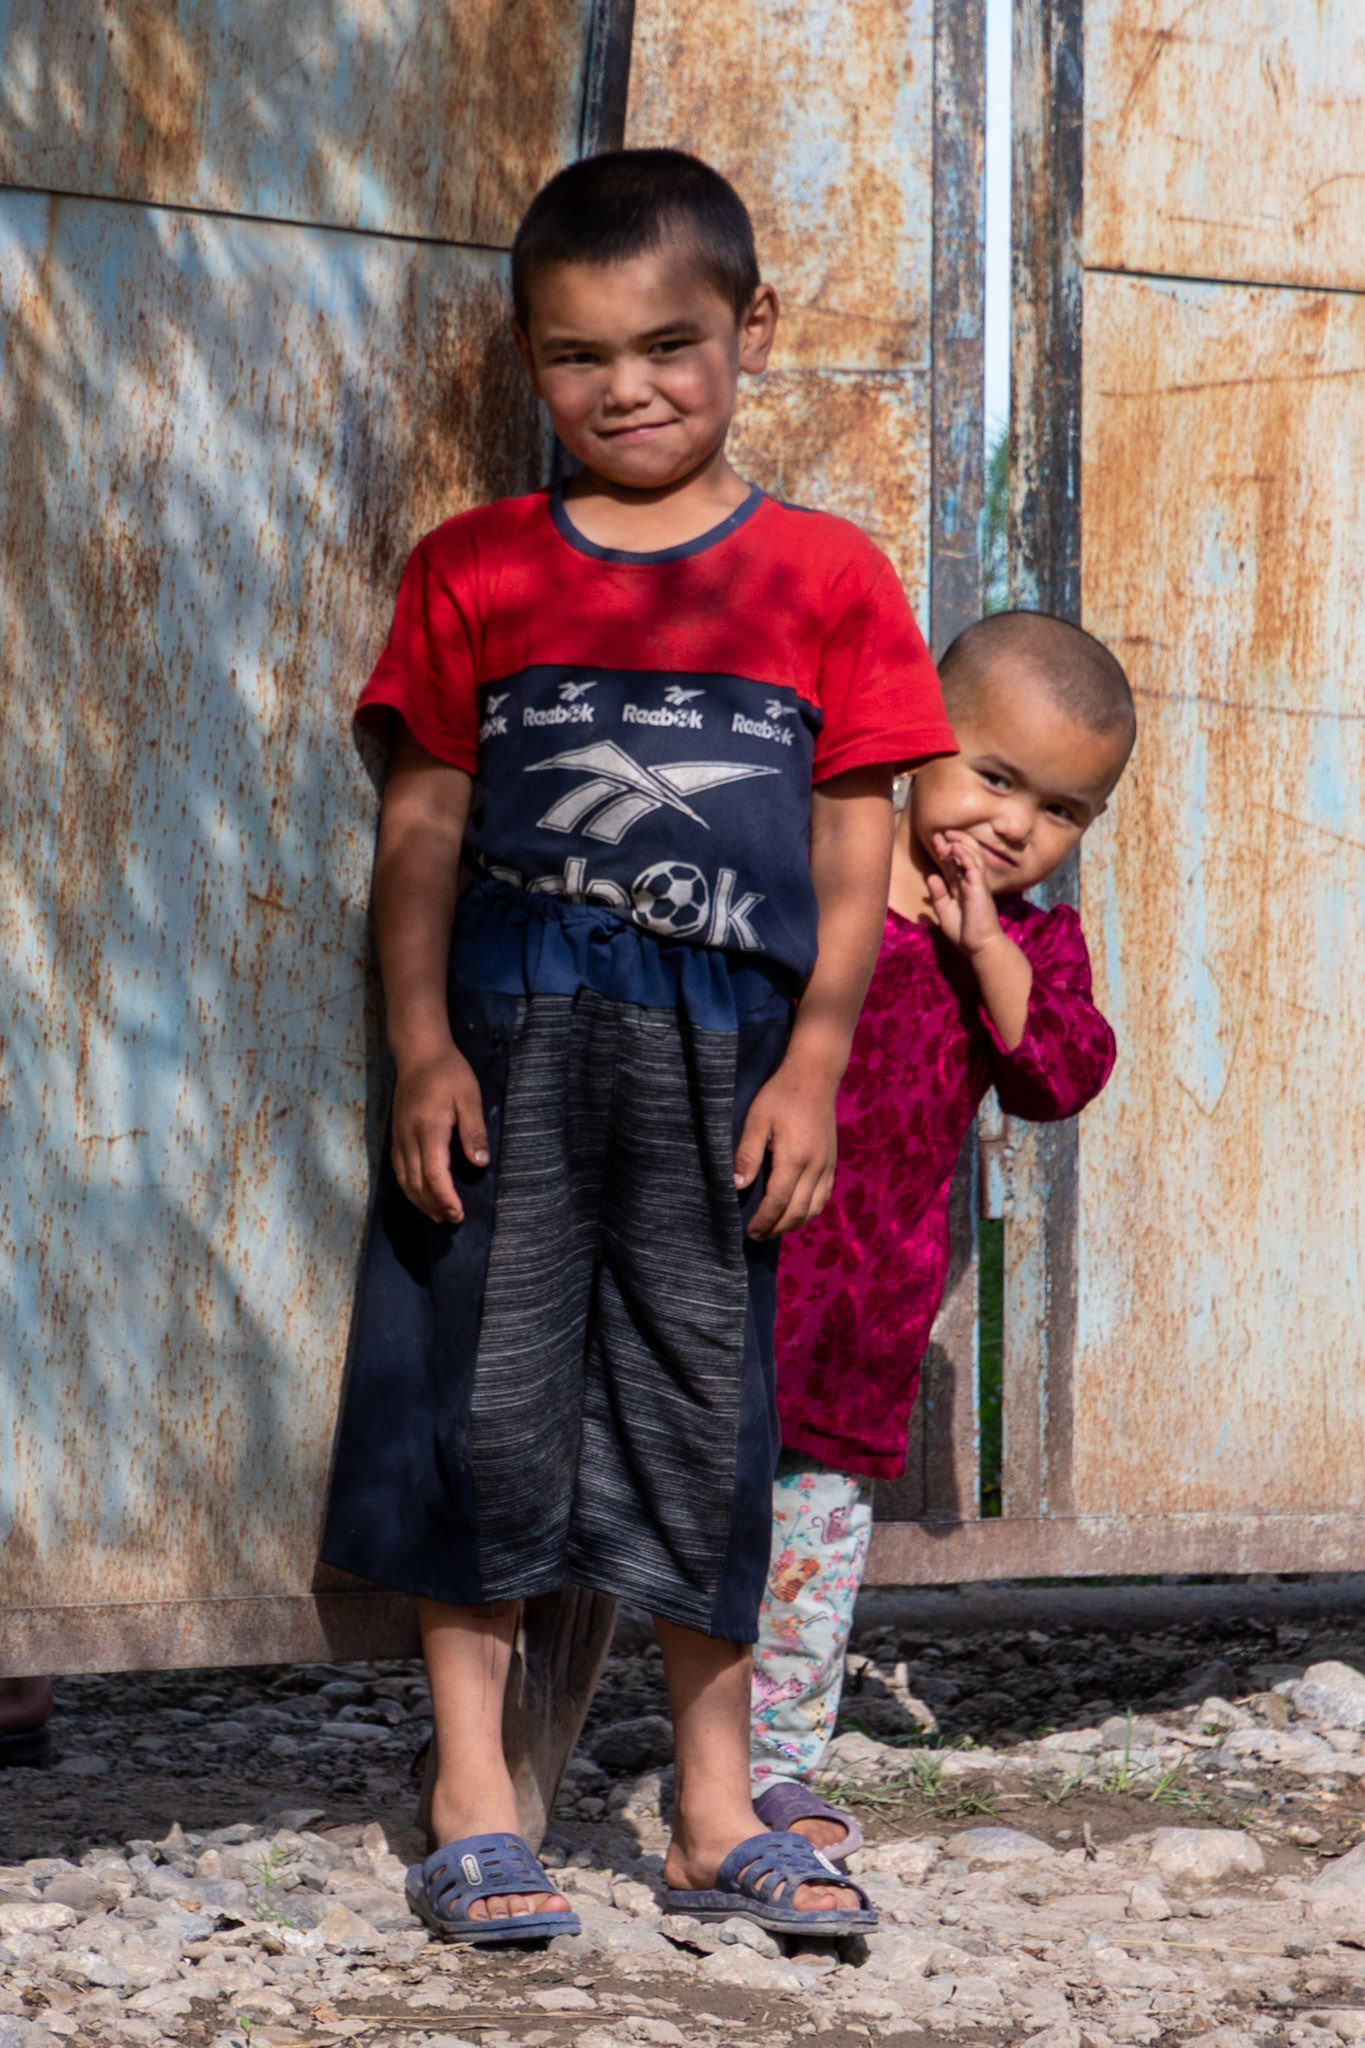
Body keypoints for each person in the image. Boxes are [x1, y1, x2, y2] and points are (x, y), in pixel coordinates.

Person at [320, 147, 956, 1942]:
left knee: (707, 1403)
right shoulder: (477, 569)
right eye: (579, 356)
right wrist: (425, 1043)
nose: (629, 389)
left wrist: (818, 1054)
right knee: (486, 1405)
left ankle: (709, 1801)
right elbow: (424, 825)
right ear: (533, 362)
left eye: (670, 345)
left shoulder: (828, 575)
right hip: (516, 1040)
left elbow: (854, 840)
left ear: (752, 329)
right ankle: (471, 1793)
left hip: (723, 1055)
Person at [746, 609, 1136, 1855]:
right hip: (732, 1253)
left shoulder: (1030, 943)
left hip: (859, 1303)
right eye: (997, 775)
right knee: (642, 1496)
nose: (1020, 825)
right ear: (918, 741)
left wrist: (983, 948)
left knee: (810, 1547)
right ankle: (534, 1734)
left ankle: (778, 1765)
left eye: (1065, 809)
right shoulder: (823, 861)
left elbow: (1062, 1072)